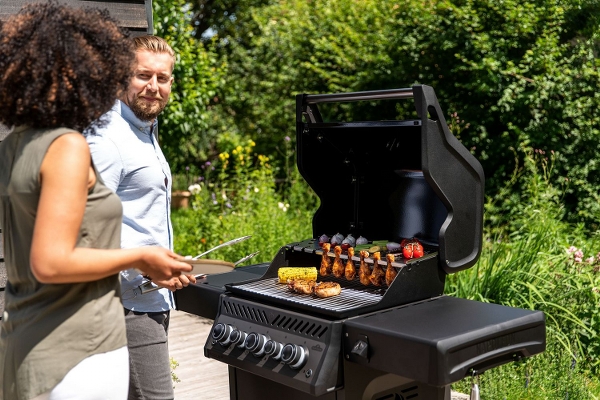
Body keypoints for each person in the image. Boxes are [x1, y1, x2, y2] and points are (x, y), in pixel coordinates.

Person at [0, 4, 192, 400]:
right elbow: (52, 258)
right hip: (81, 342)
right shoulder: (70, 146)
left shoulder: (17, 145)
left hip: (32, 336)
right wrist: (140, 258)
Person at [85, 35, 195, 400]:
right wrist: (145, 267)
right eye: (142, 75)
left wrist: (165, 263)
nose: (153, 87)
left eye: (162, 78)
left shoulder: (143, 131)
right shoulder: (108, 139)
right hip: (125, 308)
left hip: (148, 299)